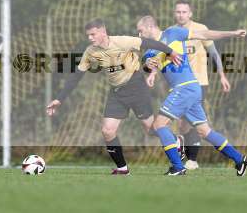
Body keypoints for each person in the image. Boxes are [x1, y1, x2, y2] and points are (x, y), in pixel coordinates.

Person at [46, 18, 182, 175]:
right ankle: (122, 168)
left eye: (93, 34)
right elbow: (77, 75)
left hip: (136, 86)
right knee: (107, 131)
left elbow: (149, 43)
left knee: (151, 129)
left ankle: (175, 140)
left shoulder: (122, 41)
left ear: (103, 31)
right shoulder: (91, 52)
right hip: (117, 92)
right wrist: (59, 99)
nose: (90, 38)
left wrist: (170, 52)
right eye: (88, 35)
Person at [137, 16, 247, 176]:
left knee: (159, 125)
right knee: (205, 132)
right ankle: (240, 159)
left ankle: (177, 166)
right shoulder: (149, 50)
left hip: (184, 88)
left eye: (141, 31)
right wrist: (150, 71)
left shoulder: (172, 33)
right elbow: (148, 64)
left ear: (150, 27)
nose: (140, 36)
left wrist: (232, 33)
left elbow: (204, 35)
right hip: (191, 89)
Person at [173, 0, 231, 170]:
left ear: (190, 13)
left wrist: (222, 76)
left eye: (184, 12)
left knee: (194, 123)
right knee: (184, 124)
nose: (181, 15)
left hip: (198, 83)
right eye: (178, 12)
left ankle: (192, 159)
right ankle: (187, 153)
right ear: (174, 13)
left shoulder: (200, 29)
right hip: (180, 84)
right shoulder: (171, 32)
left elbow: (213, 53)